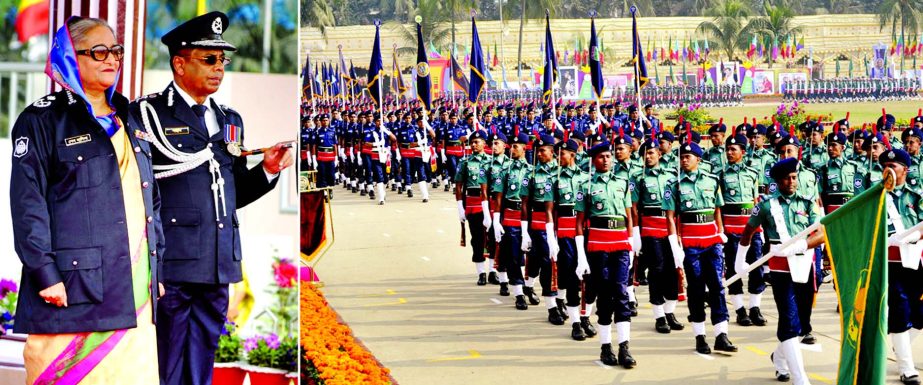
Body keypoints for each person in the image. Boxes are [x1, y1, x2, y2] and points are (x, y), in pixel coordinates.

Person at [129, 12, 293, 385]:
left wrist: (266, 171)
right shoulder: (149, 114)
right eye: (209, 59)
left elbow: (230, 193)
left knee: (202, 368)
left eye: (223, 60)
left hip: (217, 263)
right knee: (166, 366)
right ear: (179, 63)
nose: (219, 68)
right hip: (173, 263)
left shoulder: (230, 119)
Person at [11, 17, 163, 384]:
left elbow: (151, 200)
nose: (111, 59)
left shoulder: (130, 117)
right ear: (69, 56)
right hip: (71, 288)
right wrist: (45, 274)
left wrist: (158, 269)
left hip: (134, 287)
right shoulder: (42, 120)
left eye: (116, 51)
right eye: (98, 51)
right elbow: (27, 204)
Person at [739, 157, 825, 384]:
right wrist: (741, 261)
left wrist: (803, 245)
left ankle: (778, 358)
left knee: (800, 322)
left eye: (794, 177)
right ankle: (800, 378)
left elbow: (821, 232)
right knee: (788, 317)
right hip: (780, 269)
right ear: (778, 181)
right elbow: (748, 232)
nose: (791, 182)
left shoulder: (807, 202)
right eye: (786, 178)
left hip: (804, 265)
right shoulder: (767, 205)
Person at [665, 140, 738, 355]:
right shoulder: (675, 184)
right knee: (696, 288)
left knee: (717, 286)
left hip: (712, 242)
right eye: (682, 157)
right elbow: (670, 217)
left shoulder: (713, 181)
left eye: (688, 157)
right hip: (691, 244)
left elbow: (717, 209)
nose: (684, 160)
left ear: (698, 159)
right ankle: (700, 336)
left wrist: (720, 231)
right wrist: (675, 245)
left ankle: (721, 334)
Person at [575, 140, 637, 368]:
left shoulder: (622, 182)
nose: (606, 160)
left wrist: (630, 243)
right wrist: (581, 255)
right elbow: (579, 223)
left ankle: (624, 347)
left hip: (620, 244)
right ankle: (605, 346)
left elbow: (629, 215)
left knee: (621, 293)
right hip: (598, 246)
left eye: (608, 156)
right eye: (601, 157)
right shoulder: (586, 185)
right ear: (593, 160)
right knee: (604, 295)